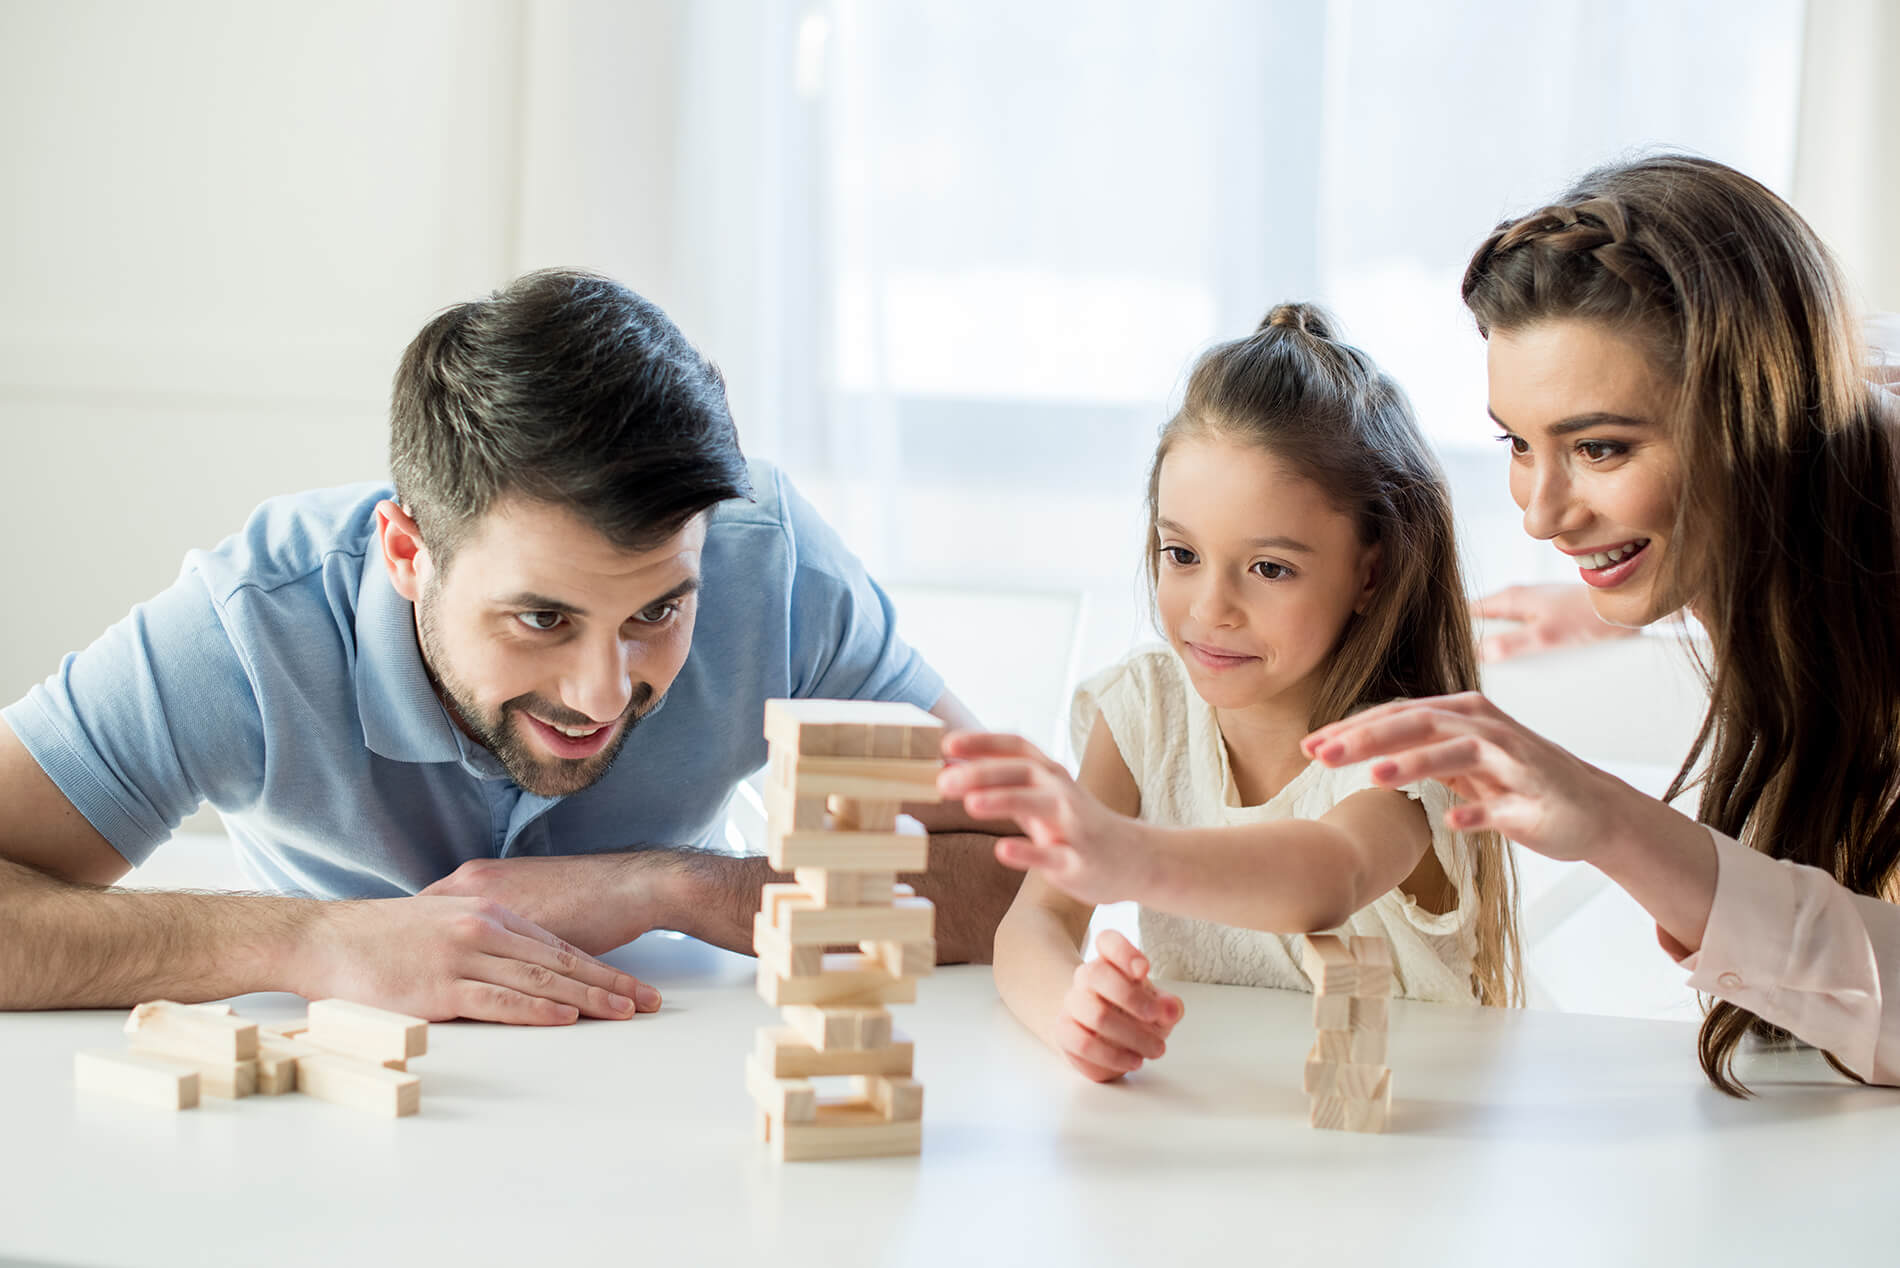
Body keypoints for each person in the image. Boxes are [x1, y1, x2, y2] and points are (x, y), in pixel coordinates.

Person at [0, 269, 1017, 1024]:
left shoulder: (770, 568)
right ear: (407, 551)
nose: (603, 692)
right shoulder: (247, 628)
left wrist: (678, 885)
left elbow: (1028, 876)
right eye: (542, 619)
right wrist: (315, 939)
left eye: (657, 612)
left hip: (670, 1081)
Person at [1305, 154, 1900, 1093]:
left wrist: (1612, 824)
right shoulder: (1804, 511)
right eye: (1516, 442)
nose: (1539, 514)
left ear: (1756, 412)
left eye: (1599, 447)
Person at [938, 304, 1522, 1082]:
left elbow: (1328, 874)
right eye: (1181, 553)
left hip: (1401, 1153)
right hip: (1215, 1134)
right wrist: (1071, 1011)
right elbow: (1035, 922)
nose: (1210, 608)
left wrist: (1129, 856)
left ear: (1370, 572)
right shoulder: (1147, 710)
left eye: (1269, 568)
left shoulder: (1412, 745)